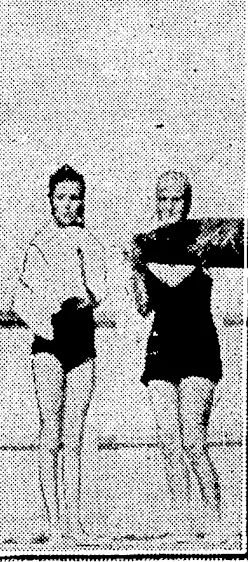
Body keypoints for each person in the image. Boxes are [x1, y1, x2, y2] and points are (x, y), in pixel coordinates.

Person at [126, 170, 224, 542]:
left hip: (198, 344)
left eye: (177, 200)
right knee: (168, 440)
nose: (170, 207)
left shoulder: (204, 245)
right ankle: (185, 522)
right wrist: (134, 268)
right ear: (156, 203)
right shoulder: (147, 250)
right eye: (163, 199)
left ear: (188, 205)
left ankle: (216, 524)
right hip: (162, 345)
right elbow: (142, 305)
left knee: (194, 438)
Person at [13, 164, 107, 544]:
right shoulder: (38, 244)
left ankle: (74, 517)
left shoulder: (92, 242)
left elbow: (100, 288)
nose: (69, 205)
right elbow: (23, 298)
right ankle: (53, 521)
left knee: (76, 433)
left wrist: (87, 297)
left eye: (76, 198)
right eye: (62, 198)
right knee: (49, 429)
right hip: (50, 343)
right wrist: (47, 319)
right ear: (50, 201)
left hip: (82, 341)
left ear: (84, 201)